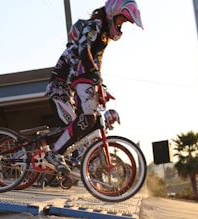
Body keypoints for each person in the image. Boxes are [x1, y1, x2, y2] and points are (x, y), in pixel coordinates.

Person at [45, 0, 143, 174]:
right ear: (114, 12)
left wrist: (99, 84)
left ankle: (48, 147)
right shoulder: (94, 25)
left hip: (72, 85)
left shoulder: (103, 34)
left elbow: (93, 64)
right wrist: (92, 72)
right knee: (81, 123)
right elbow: (84, 47)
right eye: (123, 19)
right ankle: (54, 152)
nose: (123, 24)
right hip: (60, 88)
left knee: (81, 126)